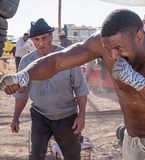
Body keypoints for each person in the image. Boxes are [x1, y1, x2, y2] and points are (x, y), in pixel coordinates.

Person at [0, 9, 145, 160]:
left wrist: (139, 83)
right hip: (132, 140)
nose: (113, 56)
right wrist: (24, 75)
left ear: (140, 37)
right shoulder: (105, 45)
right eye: (109, 49)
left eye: (119, 48)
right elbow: (57, 61)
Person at [9, 18, 89, 160]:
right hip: (40, 116)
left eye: (44, 38)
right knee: (36, 156)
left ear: (51, 37)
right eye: (36, 39)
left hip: (66, 116)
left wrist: (81, 116)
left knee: (72, 156)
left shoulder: (68, 57)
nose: (41, 43)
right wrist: (15, 118)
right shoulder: (26, 62)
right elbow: (22, 94)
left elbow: (80, 88)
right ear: (31, 41)